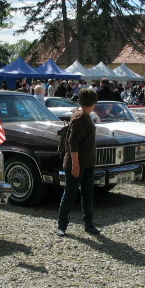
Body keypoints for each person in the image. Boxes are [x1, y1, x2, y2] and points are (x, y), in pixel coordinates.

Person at [57, 88, 100, 237]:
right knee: (70, 193)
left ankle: (89, 224)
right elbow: (73, 141)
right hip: (78, 163)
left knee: (87, 194)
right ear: (94, 103)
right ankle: (62, 225)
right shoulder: (81, 116)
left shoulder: (81, 114)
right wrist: (75, 164)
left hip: (87, 163)